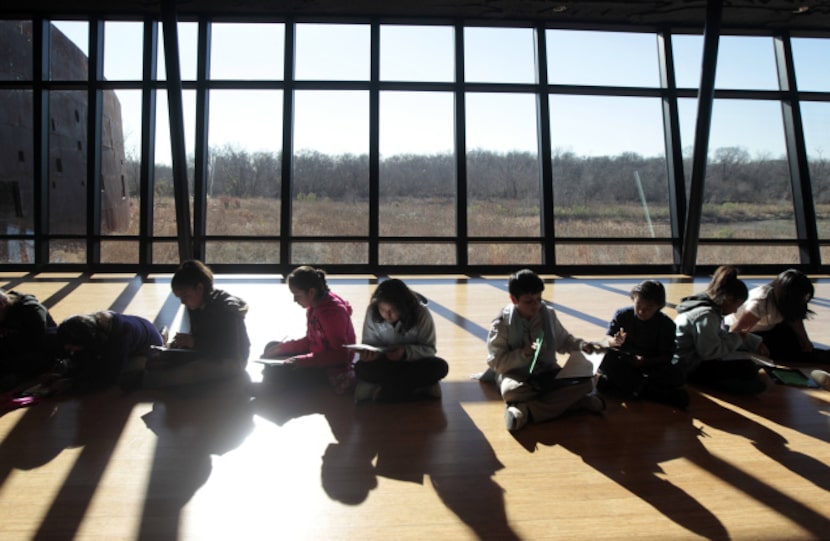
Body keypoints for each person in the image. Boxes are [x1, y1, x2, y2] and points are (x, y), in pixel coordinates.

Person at [486, 269, 605, 432]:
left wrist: (581, 345)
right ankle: (577, 403)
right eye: (529, 301)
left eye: (538, 299)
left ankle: (525, 411)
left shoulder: (547, 314)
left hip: (547, 371)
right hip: (516, 374)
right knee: (511, 392)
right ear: (513, 299)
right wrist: (522, 354)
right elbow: (496, 362)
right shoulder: (501, 323)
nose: (536, 305)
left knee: (586, 384)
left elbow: (564, 340)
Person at [144, 259, 250, 389]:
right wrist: (185, 344)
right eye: (180, 297)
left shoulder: (225, 309)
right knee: (167, 360)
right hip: (209, 353)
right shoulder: (196, 304)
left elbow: (228, 350)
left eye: (185, 295)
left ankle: (143, 380)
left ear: (199, 288)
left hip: (233, 360)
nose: (183, 301)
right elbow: (202, 336)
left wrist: (194, 342)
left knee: (181, 375)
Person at [260, 266, 356, 393]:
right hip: (316, 355)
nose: (294, 300)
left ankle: (271, 381)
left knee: (280, 372)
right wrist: (283, 348)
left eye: (297, 295)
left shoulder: (331, 313)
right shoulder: (314, 306)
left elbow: (341, 355)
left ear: (311, 292)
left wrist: (301, 361)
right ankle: (271, 379)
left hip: (330, 367)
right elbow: (311, 341)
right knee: (272, 346)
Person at [673, 265, 767, 394]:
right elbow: (710, 352)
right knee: (748, 368)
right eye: (736, 305)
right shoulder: (706, 315)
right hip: (688, 366)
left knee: (747, 368)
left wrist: (750, 340)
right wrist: (738, 338)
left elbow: (717, 336)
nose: (735, 311)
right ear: (728, 300)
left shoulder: (705, 307)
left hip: (689, 360)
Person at [353, 279, 448, 402]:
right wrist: (368, 356)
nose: (387, 315)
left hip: (413, 363)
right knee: (360, 368)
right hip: (385, 363)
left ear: (404, 307)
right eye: (382, 310)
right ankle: (416, 388)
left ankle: (384, 391)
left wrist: (405, 353)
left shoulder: (421, 314)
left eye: (392, 310)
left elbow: (429, 349)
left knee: (440, 366)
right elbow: (369, 343)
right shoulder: (372, 311)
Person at [598, 280, 688, 408]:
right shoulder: (623, 314)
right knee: (604, 357)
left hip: (650, 364)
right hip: (626, 361)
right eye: (638, 304)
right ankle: (653, 393)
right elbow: (607, 340)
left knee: (677, 374)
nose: (641, 311)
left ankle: (629, 387)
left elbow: (667, 356)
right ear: (633, 299)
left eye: (649, 308)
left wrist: (645, 361)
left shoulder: (666, 324)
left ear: (659, 306)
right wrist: (615, 341)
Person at [726, 269, 829, 364]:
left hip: (770, 327)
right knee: (783, 352)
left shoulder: (789, 301)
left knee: (797, 345)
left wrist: (805, 341)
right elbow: (737, 331)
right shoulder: (760, 302)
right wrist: (756, 343)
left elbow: (794, 320)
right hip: (751, 333)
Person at [47, 310, 163, 393]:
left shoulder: (119, 337)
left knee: (122, 373)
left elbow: (109, 377)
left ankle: (163, 343)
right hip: (140, 333)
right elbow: (86, 360)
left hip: (147, 350)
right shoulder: (91, 327)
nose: (70, 350)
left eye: (72, 346)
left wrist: (71, 384)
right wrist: (64, 375)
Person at [0, 289, 58, 391]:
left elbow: (37, 343)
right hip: (15, 350)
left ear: (2, 305)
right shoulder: (3, 315)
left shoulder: (31, 310)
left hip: (40, 353)